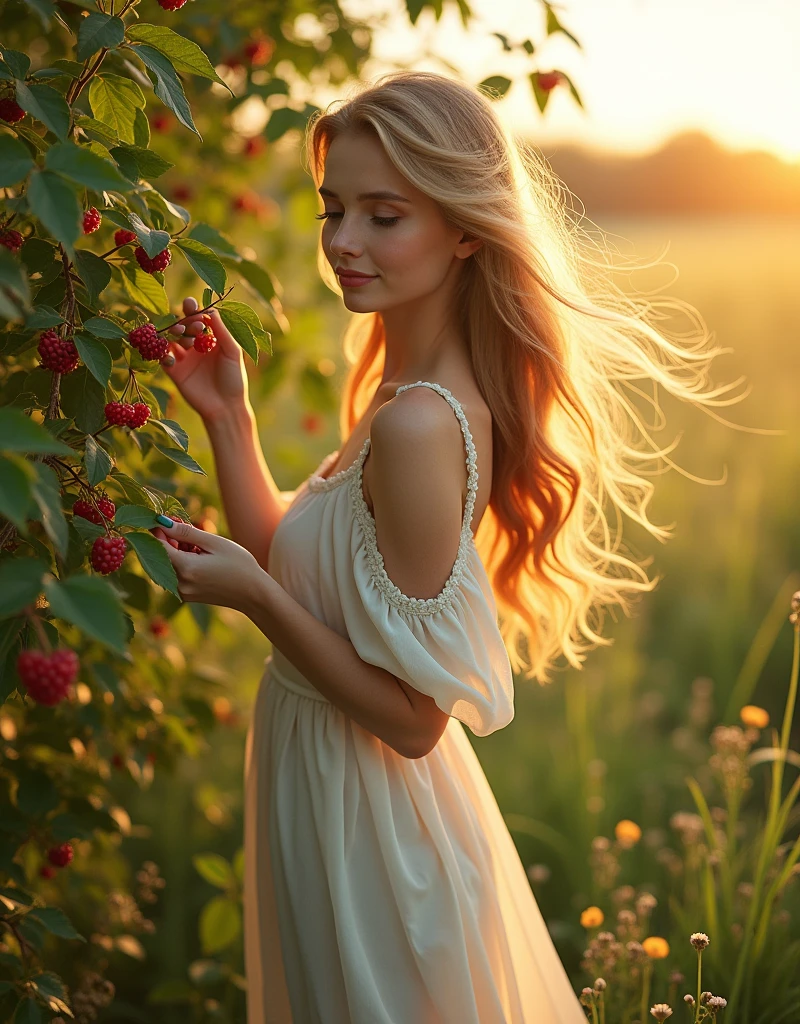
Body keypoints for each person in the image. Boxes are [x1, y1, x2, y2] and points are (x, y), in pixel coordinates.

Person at [151, 70, 741, 1023]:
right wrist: (230, 418)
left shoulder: (420, 423)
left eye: (385, 216)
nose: (344, 242)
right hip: (327, 792)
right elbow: (303, 574)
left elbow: (415, 719)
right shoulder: (395, 388)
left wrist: (254, 601)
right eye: (333, 209)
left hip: (377, 829)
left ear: (466, 228)